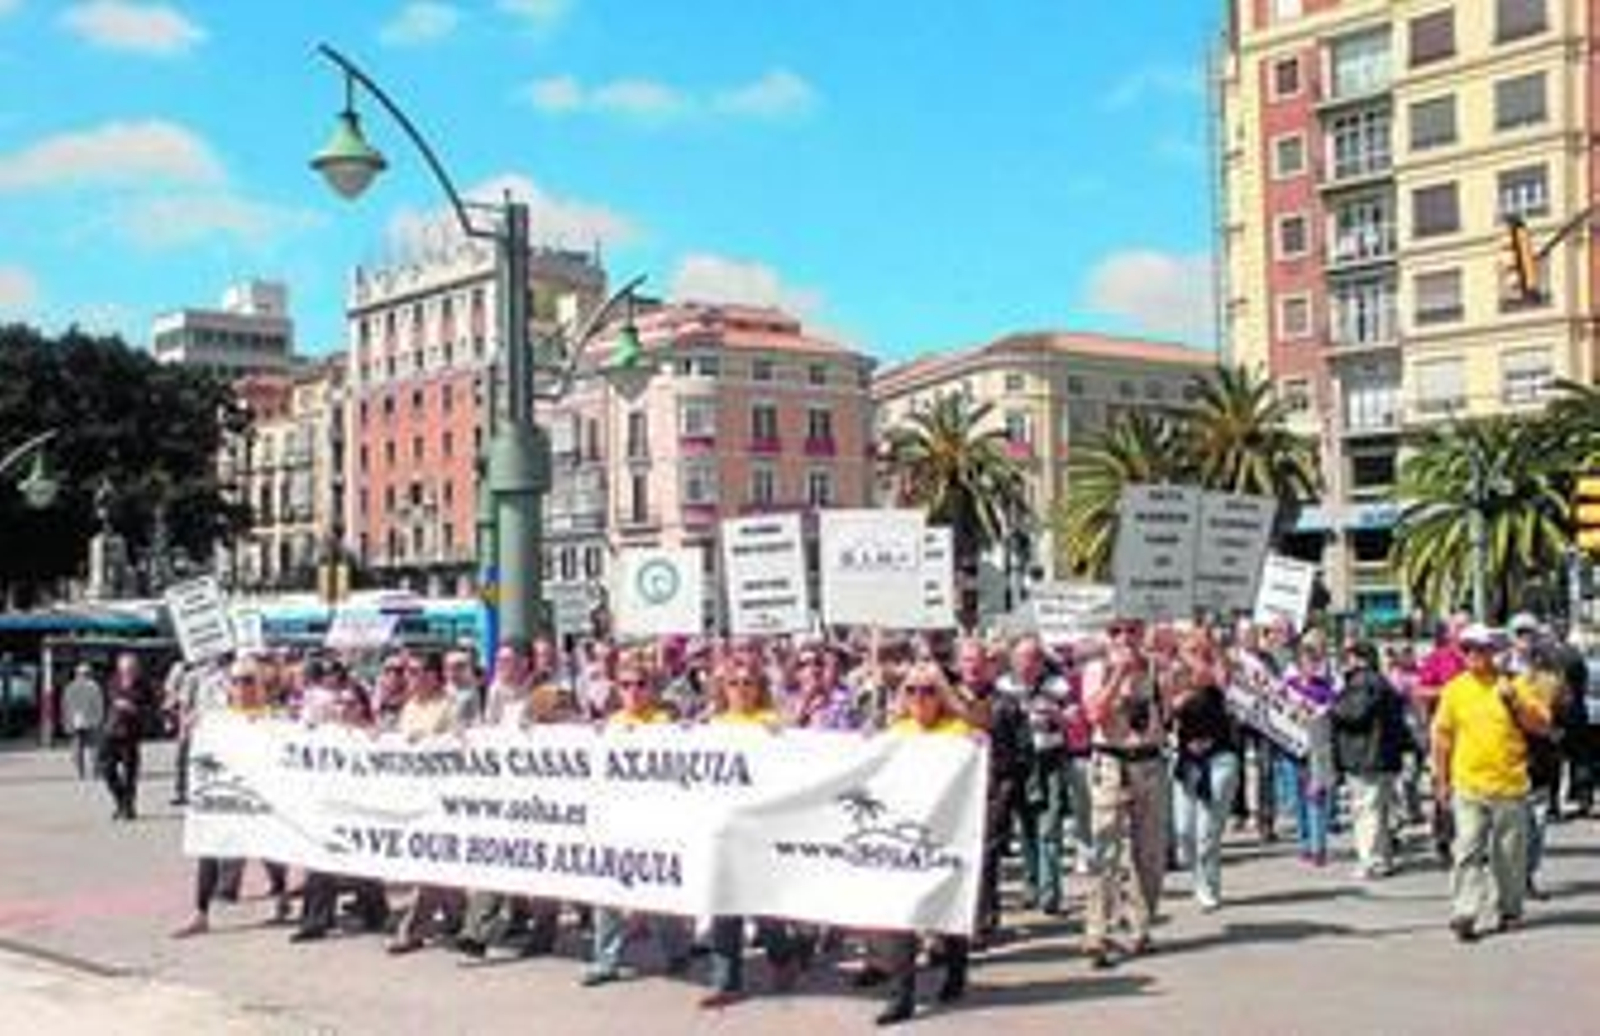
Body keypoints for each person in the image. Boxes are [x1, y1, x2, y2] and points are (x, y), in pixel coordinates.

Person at [1432, 624, 1551, 943]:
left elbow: (1541, 725)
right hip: (1468, 784)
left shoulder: (1514, 685)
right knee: (1467, 849)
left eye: (1481, 649)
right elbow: (1442, 738)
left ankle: (1509, 909)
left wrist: (1515, 703)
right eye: (1468, 649)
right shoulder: (1455, 689)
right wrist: (1440, 781)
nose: (1474, 655)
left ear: (1493, 653)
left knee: (1509, 855)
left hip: (1510, 785)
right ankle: (1465, 912)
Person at [580, 650, 692, 986]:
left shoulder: (664, 723)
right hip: (617, 819)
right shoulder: (611, 725)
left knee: (656, 892)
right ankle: (605, 960)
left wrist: (687, 734)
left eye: (640, 684)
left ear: (652, 689)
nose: (633, 691)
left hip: (655, 821)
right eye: (626, 685)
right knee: (608, 892)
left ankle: (677, 951)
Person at [699, 658, 806, 1009]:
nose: (741, 690)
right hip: (723, 828)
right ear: (723, 689)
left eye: (749, 683)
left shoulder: (771, 723)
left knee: (762, 906)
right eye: (734, 683)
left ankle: (783, 956)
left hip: (761, 830)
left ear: (759, 688)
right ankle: (725, 981)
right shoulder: (713, 724)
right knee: (724, 904)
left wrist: (785, 737)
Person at [872, 661, 973, 1027]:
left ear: (941, 695)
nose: (919, 698)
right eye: (911, 690)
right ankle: (903, 995)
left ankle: (957, 970)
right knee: (900, 913)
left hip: (944, 833)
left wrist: (977, 743)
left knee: (946, 905)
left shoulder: (957, 730)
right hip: (902, 832)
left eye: (928, 690)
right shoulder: (896, 731)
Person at [172, 658, 291, 937]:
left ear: (260, 685)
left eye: (248, 680)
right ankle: (200, 913)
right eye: (236, 681)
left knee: (270, 849)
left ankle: (282, 896)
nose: (241, 687)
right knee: (209, 849)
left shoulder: (273, 717)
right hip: (226, 797)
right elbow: (199, 744)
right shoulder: (218, 718)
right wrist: (191, 727)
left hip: (259, 796)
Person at [1081, 617, 1167, 969]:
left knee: (1149, 853)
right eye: (1116, 631)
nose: (1124, 638)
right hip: (1111, 763)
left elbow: (1172, 709)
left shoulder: (1156, 668)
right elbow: (1094, 713)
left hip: (1148, 763)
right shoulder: (1097, 669)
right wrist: (1118, 676)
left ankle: (1140, 927)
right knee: (1106, 850)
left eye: (1131, 630)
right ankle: (1096, 932)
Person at [387, 651, 467, 954]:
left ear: (435, 675)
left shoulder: (449, 706)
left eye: (418, 671)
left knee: (429, 863)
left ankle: (411, 929)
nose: (411, 678)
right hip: (414, 794)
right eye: (409, 672)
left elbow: (458, 744)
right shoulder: (409, 707)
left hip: (442, 796)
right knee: (437, 863)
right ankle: (459, 916)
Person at [996, 635, 1073, 915]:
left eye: (1033, 657)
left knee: (1049, 828)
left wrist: (1057, 714)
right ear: (1012, 660)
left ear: (1041, 661)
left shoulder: (1057, 685)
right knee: (1027, 829)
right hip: (1019, 763)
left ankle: (1050, 893)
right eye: (1021, 657)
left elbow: (1076, 719)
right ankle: (1032, 884)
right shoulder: (1002, 686)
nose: (1027, 663)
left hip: (1049, 760)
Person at [1168, 628, 1240, 911]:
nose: (1197, 653)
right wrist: (1184, 688)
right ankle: (1198, 877)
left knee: (1207, 832)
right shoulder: (1175, 674)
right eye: (1191, 648)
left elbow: (1223, 683)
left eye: (1201, 648)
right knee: (1184, 830)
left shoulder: (1217, 667)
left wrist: (1214, 654)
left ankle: (1208, 886)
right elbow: (1168, 708)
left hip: (1220, 758)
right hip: (1187, 760)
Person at [1332, 641, 1407, 879]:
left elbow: (1355, 713)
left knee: (1367, 810)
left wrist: (1332, 708)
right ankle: (1382, 858)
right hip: (1380, 755)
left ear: (1358, 658)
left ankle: (1371, 861)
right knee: (1378, 810)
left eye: (1349, 656)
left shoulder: (1363, 682)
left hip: (1367, 755)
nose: (1345, 661)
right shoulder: (1379, 681)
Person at [101, 652, 149, 821]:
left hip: (131, 735)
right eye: (125, 668)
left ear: (136, 668)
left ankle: (128, 808)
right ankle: (121, 801)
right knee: (107, 771)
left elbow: (149, 708)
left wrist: (134, 708)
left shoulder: (143, 684)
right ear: (119, 668)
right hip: (110, 732)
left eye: (131, 668)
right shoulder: (113, 681)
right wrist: (122, 702)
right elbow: (112, 698)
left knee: (130, 774)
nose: (128, 671)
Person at [60, 662, 104, 781]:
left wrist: (66, 722)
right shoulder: (94, 687)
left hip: (74, 722)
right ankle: (94, 772)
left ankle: (80, 773)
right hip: (91, 721)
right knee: (94, 747)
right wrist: (100, 721)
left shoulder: (69, 687)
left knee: (76, 748)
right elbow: (99, 706)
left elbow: (65, 707)